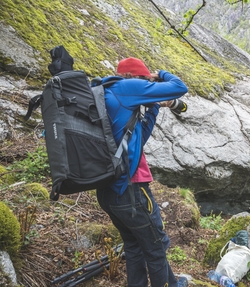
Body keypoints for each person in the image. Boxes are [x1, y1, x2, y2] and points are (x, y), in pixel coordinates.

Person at [95, 57, 189, 287]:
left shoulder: (106, 93)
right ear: (135, 78)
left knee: (134, 246)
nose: (147, 86)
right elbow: (180, 87)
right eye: (144, 80)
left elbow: (138, 140)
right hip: (132, 190)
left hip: (109, 191)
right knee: (156, 249)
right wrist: (160, 75)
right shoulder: (127, 87)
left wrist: (154, 105)